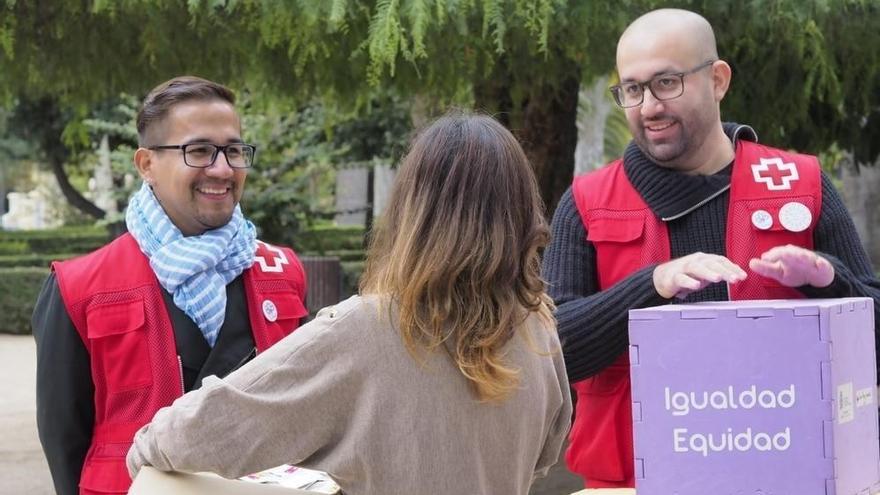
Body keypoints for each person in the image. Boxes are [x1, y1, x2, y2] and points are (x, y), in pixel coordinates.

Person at [125, 113, 572, 494]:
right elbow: (546, 453)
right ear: (521, 207)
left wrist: (145, 449)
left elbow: (188, 435)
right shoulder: (537, 326)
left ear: (411, 209)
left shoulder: (365, 330)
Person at [542, 8, 880, 489]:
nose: (649, 106)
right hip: (631, 484)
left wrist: (830, 281)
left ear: (718, 80)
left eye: (667, 82)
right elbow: (548, 353)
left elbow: (874, 346)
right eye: (632, 89)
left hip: (789, 476)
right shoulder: (586, 204)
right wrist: (650, 286)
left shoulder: (800, 187)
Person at [33, 76, 308, 495]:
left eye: (234, 150)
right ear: (147, 165)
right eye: (198, 151)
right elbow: (65, 443)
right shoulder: (79, 288)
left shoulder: (283, 274)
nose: (222, 168)